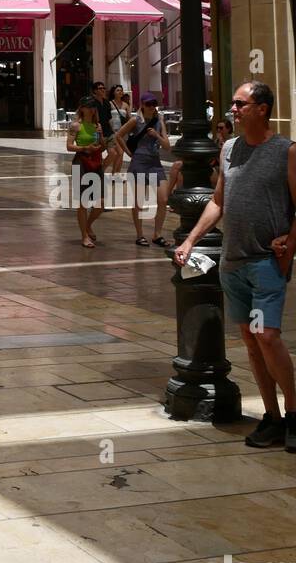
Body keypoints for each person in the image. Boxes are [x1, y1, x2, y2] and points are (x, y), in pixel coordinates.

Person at [175, 82, 296, 450]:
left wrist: (291, 240)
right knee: (251, 341)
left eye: (240, 104)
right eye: (233, 104)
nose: (234, 110)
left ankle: (294, 413)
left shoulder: (285, 151)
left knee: (267, 336)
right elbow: (217, 201)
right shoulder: (229, 149)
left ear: (262, 108)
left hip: (265, 263)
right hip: (233, 263)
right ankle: (272, 418)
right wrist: (191, 238)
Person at [117, 93, 172, 246]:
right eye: (148, 104)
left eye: (153, 103)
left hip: (155, 162)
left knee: (163, 199)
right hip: (139, 162)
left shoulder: (159, 120)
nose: (151, 107)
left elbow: (167, 146)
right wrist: (129, 153)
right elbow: (119, 136)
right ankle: (140, 234)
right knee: (139, 202)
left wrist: (157, 136)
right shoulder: (136, 120)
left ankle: (157, 234)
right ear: (142, 105)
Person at [67, 98, 105, 248]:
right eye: (88, 107)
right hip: (81, 162)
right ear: (82, 109)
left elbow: (102, 146)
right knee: (82, 203)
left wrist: (101, 137)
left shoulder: (97, 125)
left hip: (96, 161)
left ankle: (88, 225)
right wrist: (84, 148)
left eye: (93, 107)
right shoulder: (76, 126)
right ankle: (84, 236)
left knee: (100, 203)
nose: (91, 109)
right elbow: (69, 146)